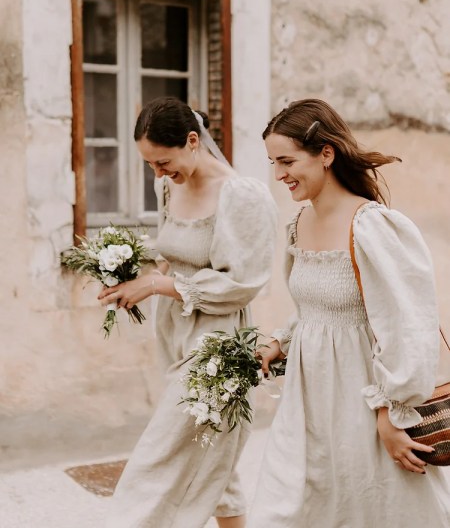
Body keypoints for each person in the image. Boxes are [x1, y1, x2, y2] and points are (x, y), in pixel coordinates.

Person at [249, 98, 450, 527]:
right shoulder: (298, 224)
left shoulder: (373, 226)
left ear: (326, 153)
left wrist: (392, 414)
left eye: (287, 160)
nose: (279, 173)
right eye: (272, 162)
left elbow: (405, 326)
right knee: (293, 505)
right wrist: (279, 343)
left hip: (364, 397)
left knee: (375, 505)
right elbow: (313, 309)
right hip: (310, 399)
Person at [99, 96, 278, 528]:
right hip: (174, 332)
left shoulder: (241, 195)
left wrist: (158, 285)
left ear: (193, 140)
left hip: (217, 344)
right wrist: (134, 278)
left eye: (162, 161)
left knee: (160, 456)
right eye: (150, 165)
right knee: (212, 453)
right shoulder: (169, 186)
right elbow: (172, 257)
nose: (158, 174)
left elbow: (244, 283)